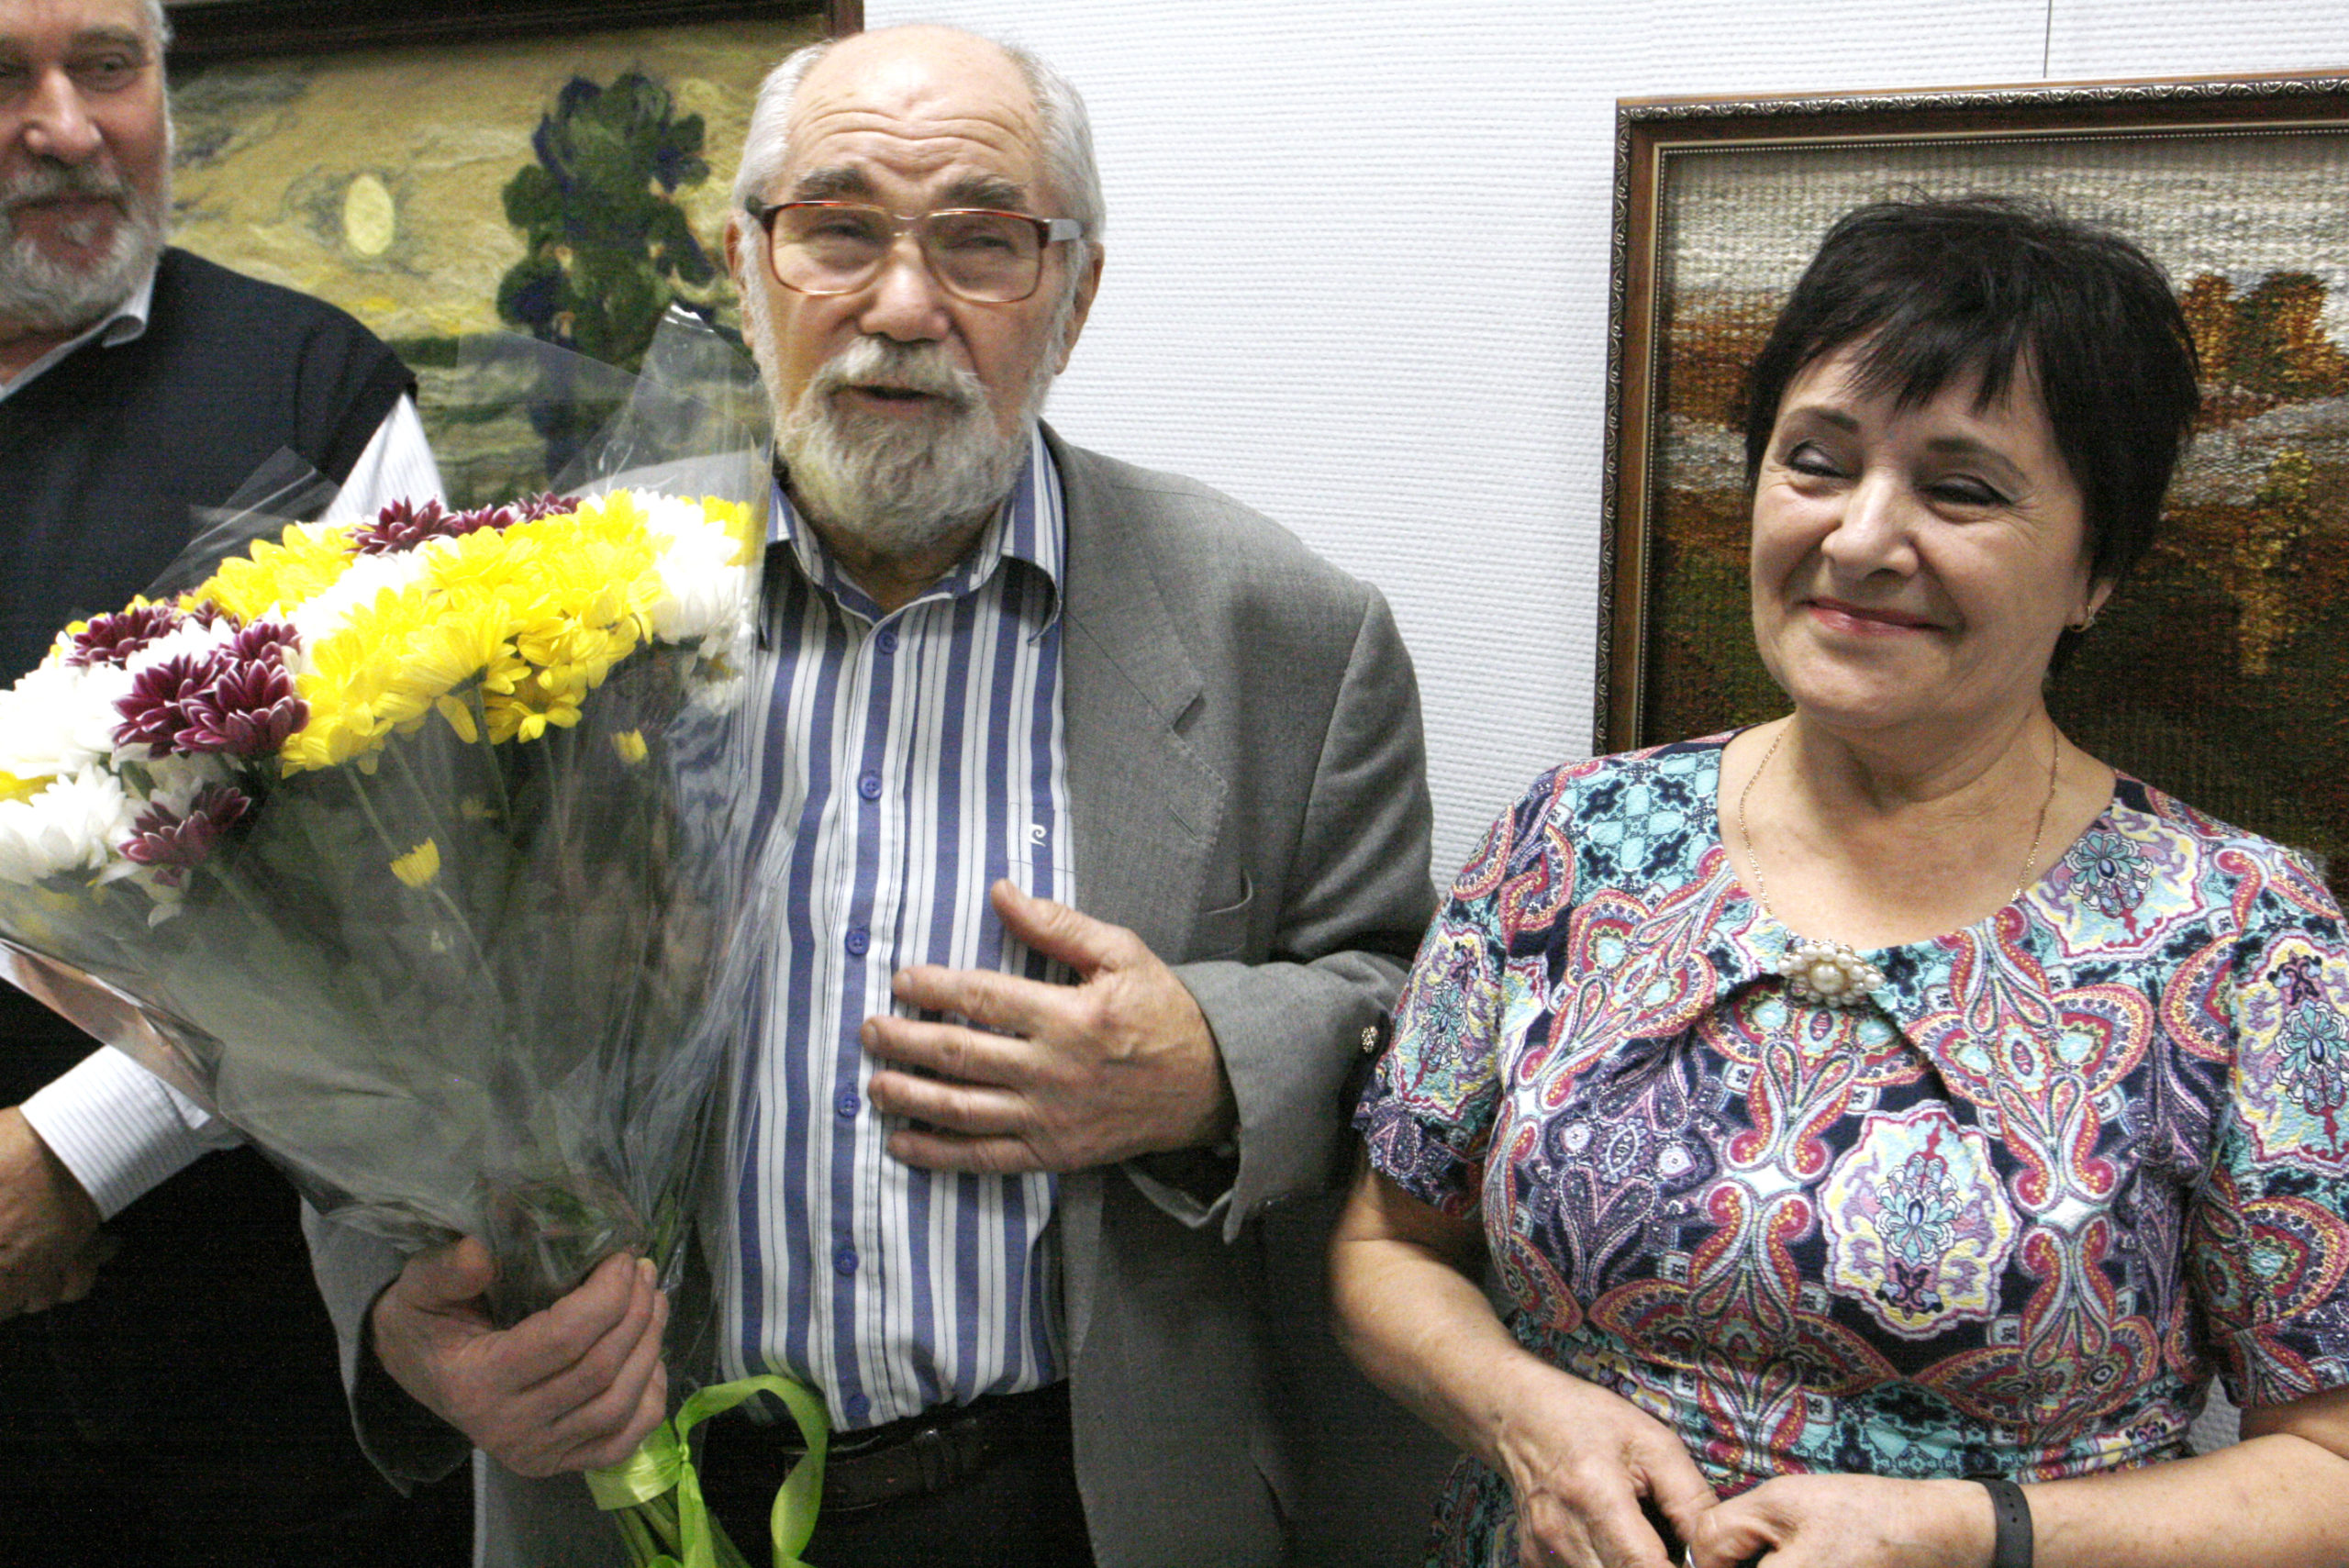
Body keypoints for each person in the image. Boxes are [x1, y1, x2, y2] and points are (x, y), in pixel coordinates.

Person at [304, 24, 1441, 1568]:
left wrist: (1216, 1066)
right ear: (748, 265)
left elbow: (1411, 1005)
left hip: (1081, 1505)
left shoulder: (1286, 634)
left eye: (981, 242)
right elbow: (354, 1016)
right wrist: (403, 1315)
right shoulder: (534, 613)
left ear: (1075, 294)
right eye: (839, 230)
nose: (903, 305)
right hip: (635, 1501)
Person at [1332, 195, 2349, 1568]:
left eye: (1962, 489)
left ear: (2098, 570)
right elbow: (1389, 1246)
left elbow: (2329, 1467)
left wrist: (1969, 1534)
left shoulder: (2247, 941)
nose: (1862, 539)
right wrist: (1524, 1417)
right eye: (1815, 462)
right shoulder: (1570, 843)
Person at [0, 0, 455, 1557]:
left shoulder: (313, 398)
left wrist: (78, 1150)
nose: (67, 127)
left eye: (108, 67)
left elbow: (402, 889)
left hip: (242, 1367)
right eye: (4, 76)